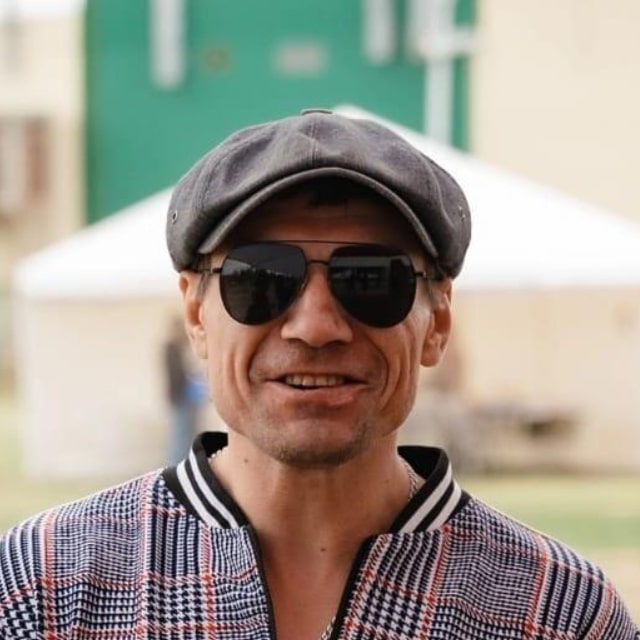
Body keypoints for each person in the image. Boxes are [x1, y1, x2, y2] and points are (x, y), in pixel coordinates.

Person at [0, 109, 637, 639]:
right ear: (196, 314)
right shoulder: (42, 589)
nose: (316, 326)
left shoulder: (559, 613)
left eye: (371, 279)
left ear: (437, 322)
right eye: (260, 277)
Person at [163, 315, 204, 465]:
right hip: (180, 398)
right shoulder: (171, 348)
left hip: (185, 398)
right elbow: (177, 374)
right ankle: (176, 465)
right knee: (180, 436)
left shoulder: (180, 347)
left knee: (186, 435)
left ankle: (184, 463)